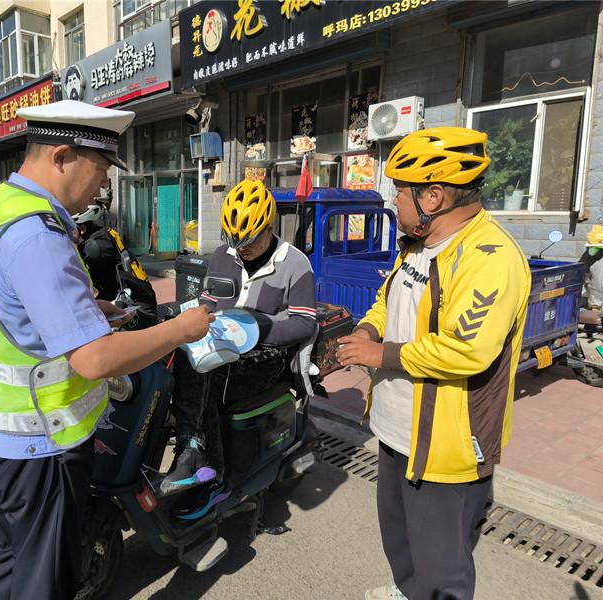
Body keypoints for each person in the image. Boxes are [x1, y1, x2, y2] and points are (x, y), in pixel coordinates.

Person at [0, 99, 213, 600]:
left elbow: (8, 305)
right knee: (42, 582)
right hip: (39, 446)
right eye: (101, 169)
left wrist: (94, 311)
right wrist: (181, 329)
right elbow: (94, 359)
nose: (104, 185)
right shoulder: (37, 234)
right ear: (63, 157)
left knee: (4, 561)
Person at [335, 127, 531, 600]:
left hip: (446, 446)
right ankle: (408, 591)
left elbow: (467, 349)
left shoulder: (491, 257)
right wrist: (367, 332)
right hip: (394, 429)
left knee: (443, 567)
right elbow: (387, 303)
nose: (394, 201)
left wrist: (380, 355)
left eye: (399, 191)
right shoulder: (417, 245)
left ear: (434, 196)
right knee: (401, 540)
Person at [161, 178, 318, 518]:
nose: (239, 248)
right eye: (233, 239)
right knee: (171, 358)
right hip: (222, 344)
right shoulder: (223, 255)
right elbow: (209, 300)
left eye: (247, 240)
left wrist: (255, 329)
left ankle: (212, 473)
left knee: (206, 373)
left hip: (268, 355)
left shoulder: (295, 264)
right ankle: (189, 447)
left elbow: (306, 322)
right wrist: (190, 317)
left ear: (270, 228)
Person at [72, 203, 158, 319]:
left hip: (137, 304)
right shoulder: (101, 234)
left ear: (82, 229)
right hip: (116, 295)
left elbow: (75, 275)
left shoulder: (96, 246)